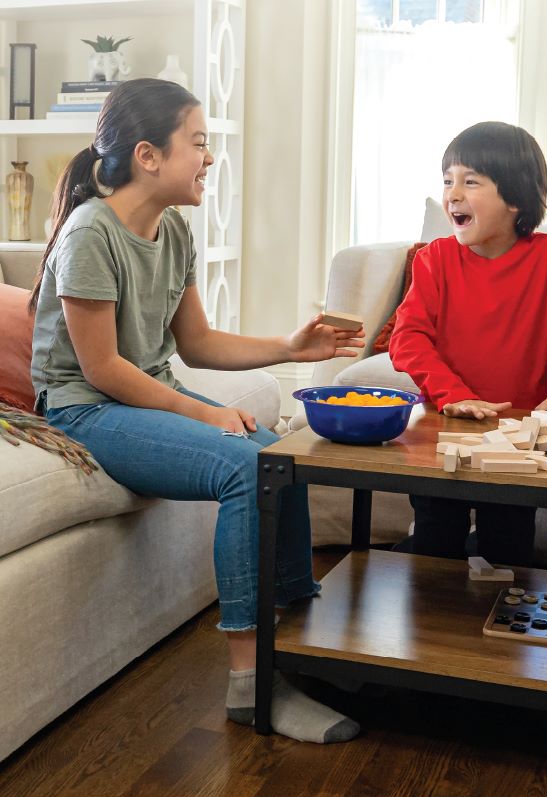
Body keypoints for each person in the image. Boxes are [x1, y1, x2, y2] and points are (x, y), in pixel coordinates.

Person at [30, 78, 365, 743]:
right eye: (199, 143)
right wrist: (203, 415)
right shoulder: (90, 233)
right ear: (148, 156)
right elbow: (102, 370)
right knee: (246, 468)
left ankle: (293, 643)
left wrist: (287, 345)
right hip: (83, 409)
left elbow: (197, 343)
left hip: (132, 394)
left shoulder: (173, 231)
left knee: (278, 453)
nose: (209, 158)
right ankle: (251, 684)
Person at [390, 121, 547, 566]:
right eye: (448, 180)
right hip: (443, 429)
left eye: (471, 181)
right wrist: (455, 396)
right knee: (436, 544)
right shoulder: (434, 260)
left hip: (520, 435)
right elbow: (407, 339)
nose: (453, 193)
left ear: (515, 199)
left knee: (509, 550)